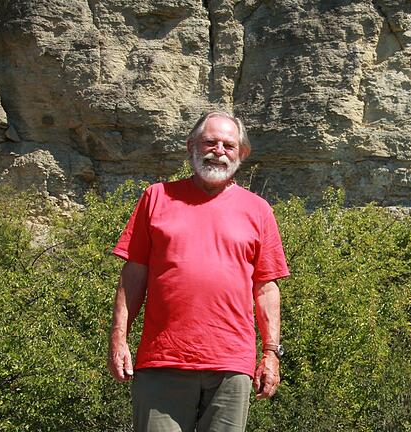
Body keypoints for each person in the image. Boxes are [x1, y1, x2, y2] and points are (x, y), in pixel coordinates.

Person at [107, 111, 290, 431]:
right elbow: (133, 274)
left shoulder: (258, 210)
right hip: (162, 362)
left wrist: (271, 353)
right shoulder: (156, 197)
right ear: (191, 145)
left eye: (228, 145)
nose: (219, 150)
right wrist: (119, 338)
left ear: (241, 154)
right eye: (210, 142)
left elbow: (266, 287)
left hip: (231, 366)